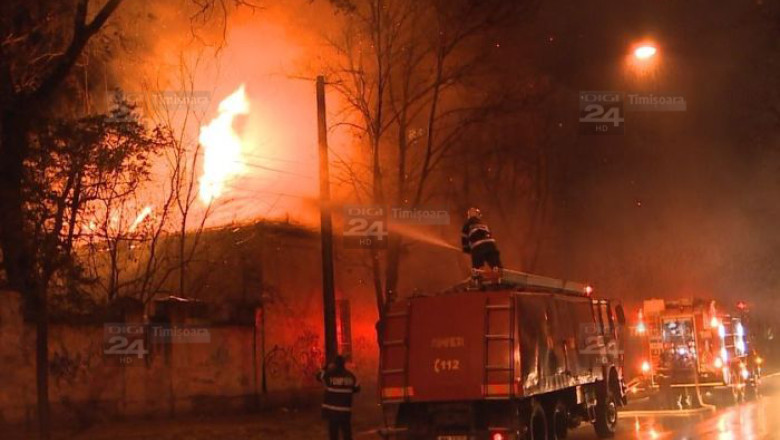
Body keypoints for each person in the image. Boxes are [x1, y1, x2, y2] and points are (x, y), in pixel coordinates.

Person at [316, 355, 361, 440]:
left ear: (334, 364)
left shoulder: (329, 375)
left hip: (332, 411)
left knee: (333, 434)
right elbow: (357, 388)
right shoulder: (350, 376)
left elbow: (318, 376)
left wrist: (326, 367)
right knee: (347, 434)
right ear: (344, 364)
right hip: (345, 411)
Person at [461, 207, 503, 282]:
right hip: (491, 245)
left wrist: (467, 250)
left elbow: (464, 239)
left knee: (477, 268)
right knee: (496, 265)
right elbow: (489, 233)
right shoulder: (483, 223)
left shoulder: (467, 224)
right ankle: (500, 275)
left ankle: (478, 278)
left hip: (478, 247)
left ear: (469, 216)